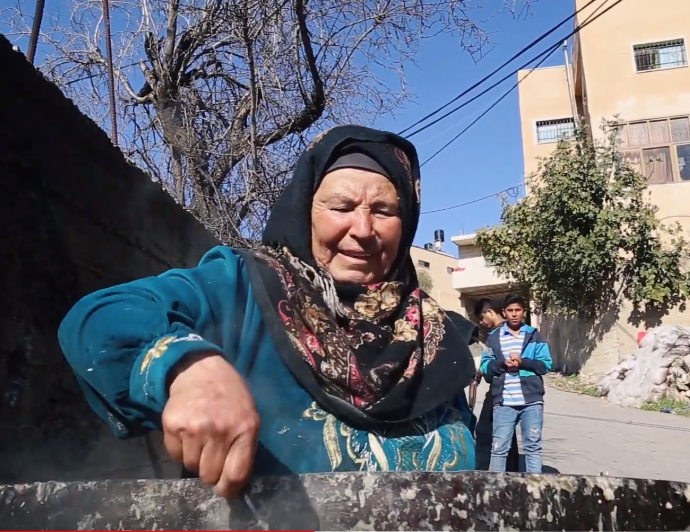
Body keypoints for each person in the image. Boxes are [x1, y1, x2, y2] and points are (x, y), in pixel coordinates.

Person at [57, 125, 478, 498]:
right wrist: (187, 368)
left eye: (384, 211)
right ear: (304, 210)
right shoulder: (241, 287)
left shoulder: (431, 337)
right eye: (341, 207)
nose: (363, 230)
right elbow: (100, 318)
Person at [479, 294, 552, 473]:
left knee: (533, 447)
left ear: (524, 312)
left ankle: (534, 485)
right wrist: (502, 364)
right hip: (504, 403)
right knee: (499, 448)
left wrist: (523, 362)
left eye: (517, 310)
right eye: (510, 310)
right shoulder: (493, 337)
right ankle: (497, 486)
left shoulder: (534, 335)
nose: (514, 314)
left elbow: (545, 365)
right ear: (504, 313)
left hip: (532, 402)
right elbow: (485, 365)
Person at [471, 298, 519, 472]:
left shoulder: (498, 335)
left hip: (501, 390)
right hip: (511, 389)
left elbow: (495, 368)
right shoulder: (512, 331)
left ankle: (482, 473)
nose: (482, 323)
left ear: (490, 312)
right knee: (507, 433)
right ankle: (512, 473)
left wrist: (484, 370)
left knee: (485, 430)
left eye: (482, 317)